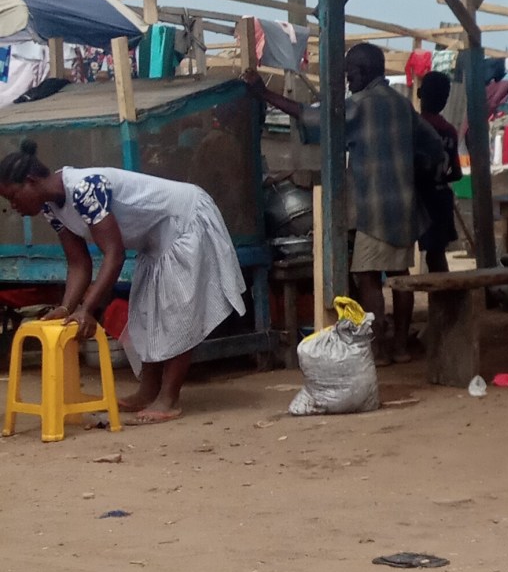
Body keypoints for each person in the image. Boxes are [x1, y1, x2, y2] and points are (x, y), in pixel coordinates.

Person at [0, 140, 246, 423]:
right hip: (154, 238)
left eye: (13, 197)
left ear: (31, 181)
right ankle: (148, 391)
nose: (13, 207)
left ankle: (169, 398)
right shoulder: (51, 208)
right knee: (146, 313)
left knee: (177, 312)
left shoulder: (84, 189)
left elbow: (114, 254)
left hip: (184, 219)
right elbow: (79, 263)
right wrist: (67, 308)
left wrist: (87, 309)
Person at [247, 43, 442, 360]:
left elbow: (311, 116)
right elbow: (433, 145)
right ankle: (401, 347)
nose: (348, 82)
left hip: (375, 209)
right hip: (405, 207)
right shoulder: (401, 103)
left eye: (350, 75)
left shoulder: (360, 104)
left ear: (365, 71)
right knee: (401, 277)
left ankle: (378, 350)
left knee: (367, 276)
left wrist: (264, 94)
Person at [416, 71, 463, 275]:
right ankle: (445, 292)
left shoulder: (415, 126)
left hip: (419, 199)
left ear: (419, 93)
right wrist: (440, 178)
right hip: (441, 198)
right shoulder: (449, 130)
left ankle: (444, 293)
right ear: (445, 99)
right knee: (436, 254)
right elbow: (457, 173)